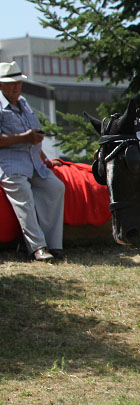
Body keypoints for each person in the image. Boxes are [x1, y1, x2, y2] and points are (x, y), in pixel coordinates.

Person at [0, 61, 65, 261]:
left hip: (34, 162)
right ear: (1, 85)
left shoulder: (25, 103)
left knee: (56, 187)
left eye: (18, 82)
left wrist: (46, 159)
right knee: (24, 196)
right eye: (11, 83)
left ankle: (55, 244)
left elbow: (35, 137)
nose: (16, 87)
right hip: (9, 164)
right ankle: (38, 247)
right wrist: (25, 137)